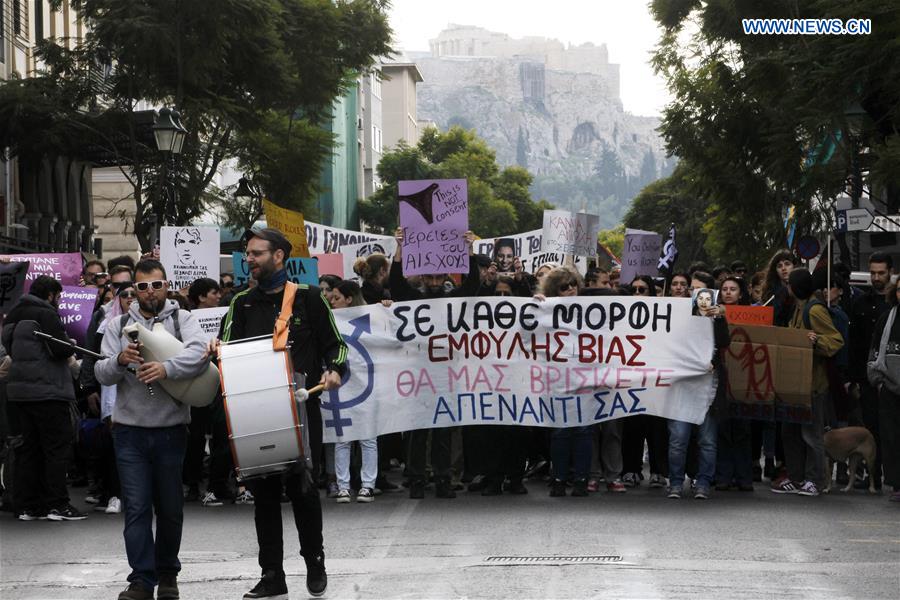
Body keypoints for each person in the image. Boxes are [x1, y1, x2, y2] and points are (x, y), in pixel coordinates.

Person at [216, 228, 347, 599]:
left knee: (304, 491)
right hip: (257, 413)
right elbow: (226, 352)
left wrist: (334, 370)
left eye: (257, 253)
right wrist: (217, 350)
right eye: (248, 254)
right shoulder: (241, 303)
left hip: (302, 409)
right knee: (264, 496)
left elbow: (336, 346)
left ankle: (314, 562)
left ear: (279, 256)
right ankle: (272, 575)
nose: (249, 260)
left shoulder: (308, 298)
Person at [95, 259, 210, 600]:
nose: (150, 292)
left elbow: (201, 354)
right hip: (129, 431)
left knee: (171, 507)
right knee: (137, 508)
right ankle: (142, 580)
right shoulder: (117, 324)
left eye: (156, 285)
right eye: (143, 287)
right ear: (134, 290)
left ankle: (168, 574)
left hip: (171, 429)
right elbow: (100, 372)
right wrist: (119, 360)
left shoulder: (182, 319)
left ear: (166, 285)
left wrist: (166, 368)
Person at [390, 227, 480, 500]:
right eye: (429, 276)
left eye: (438, 276)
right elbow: (396, 285)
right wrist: (400, 248)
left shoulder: (454, 300)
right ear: (422, 277)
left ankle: (443, 479)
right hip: (419, 375)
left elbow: (473, 286)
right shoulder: (413, 300)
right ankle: (417, 479)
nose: (433, 281)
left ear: (446, 276)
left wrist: (469, 251)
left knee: (443, 431)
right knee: (418, 431)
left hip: (446, 375)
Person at [1, 275, 85, 521]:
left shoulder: (13, 314)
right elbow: (59, 349)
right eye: (58, 297)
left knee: (28, 449)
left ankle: (28, 506)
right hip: (48, 390)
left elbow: (9, 347)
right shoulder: (45, 314)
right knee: (56, 449)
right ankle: (57, 504)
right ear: (50, 295)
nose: (59, 301)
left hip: (19, 393)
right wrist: (70, 343)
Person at [771, 269, 843, 497]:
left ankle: (815, 480)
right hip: (795, 384)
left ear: (794, 287)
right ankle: (796, 477)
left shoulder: (815, 310)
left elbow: (835, 340)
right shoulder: (798, 307)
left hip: (813, 384)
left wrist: (817, 340)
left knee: (812, 435)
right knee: (790, 432)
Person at [667, 271, 727, 500]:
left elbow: (724, 342)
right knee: (678, 439)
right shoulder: (676, 313)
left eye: (700, 289)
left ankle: (703, 483)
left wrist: (719, 318)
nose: (694, 293)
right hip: (681, 386)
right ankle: (675, 483)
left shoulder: (717, 316)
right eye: (692, 289)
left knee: (707, 440)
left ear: (711, 293)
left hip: (707, 388)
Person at [535, 267, 594, 497]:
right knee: (560, 431)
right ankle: (559, 478)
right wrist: (535, 308)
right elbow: (527, 334)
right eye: (564, 287)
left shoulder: (592, 310)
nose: (570, 289)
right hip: (557, 380)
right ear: (554, 291)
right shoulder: (545, 310)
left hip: (584, 379)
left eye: (573, 284)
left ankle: (581, 480)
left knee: (584, 431)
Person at [328, 280, 379, 503]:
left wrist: (387, 307)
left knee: (368, 438)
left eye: (337, 297)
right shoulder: (330, 320)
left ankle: (368, 485)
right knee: (342, 439)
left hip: (366, 385)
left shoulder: (372, 317)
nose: (332, 301)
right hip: (342, 386)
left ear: (349, 299)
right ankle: (344, 486)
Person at [849, 252, 893, 491]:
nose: (876, 278)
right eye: (873, 273)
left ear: (890, 273)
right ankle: (873, 474)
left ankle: (893, 476)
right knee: (871, 428)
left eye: (881, 273)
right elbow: (855, 344)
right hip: (867, 377)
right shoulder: (860, 303)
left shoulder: (894, 304)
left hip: (893, 377)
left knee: (892, 429)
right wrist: (853, 380)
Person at [715, 276, 754, 491]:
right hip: (720, 375)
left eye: (733, 289)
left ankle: (744, 476)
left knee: (743, 428)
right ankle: (723, 475)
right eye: (725, 289)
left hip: (744, 376)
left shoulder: (752, 315)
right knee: (722, 427)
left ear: (741, 294)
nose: (728, 292)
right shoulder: (712, 314)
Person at [868, 280, 900, 503]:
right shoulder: (886, 319)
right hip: (890, 388)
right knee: (891, 438)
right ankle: (897, 484)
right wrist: (878, 381)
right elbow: (874, 351)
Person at [762, 249, 797, 326]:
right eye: (779, 266)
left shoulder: (801, 290)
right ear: (775, 271)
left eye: (787, 264)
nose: (783, 268)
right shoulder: (770, 293)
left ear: (794, 266)